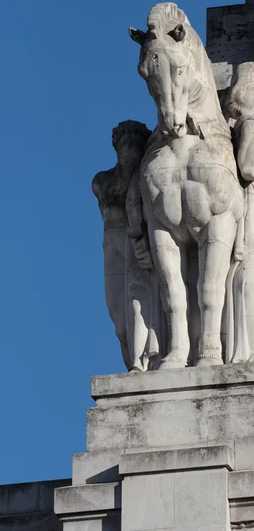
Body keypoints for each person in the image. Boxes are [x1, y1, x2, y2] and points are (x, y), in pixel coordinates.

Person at [92, 120, 160, 371]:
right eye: (123, 145)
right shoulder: (103, 180)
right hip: (113, 242)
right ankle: (131, 358)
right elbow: (115, 193)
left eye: (133, 144)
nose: (127, 150)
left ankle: (140, 362)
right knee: (118, 316)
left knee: (138, 302)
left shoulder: (144, 179)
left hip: (136, 240)